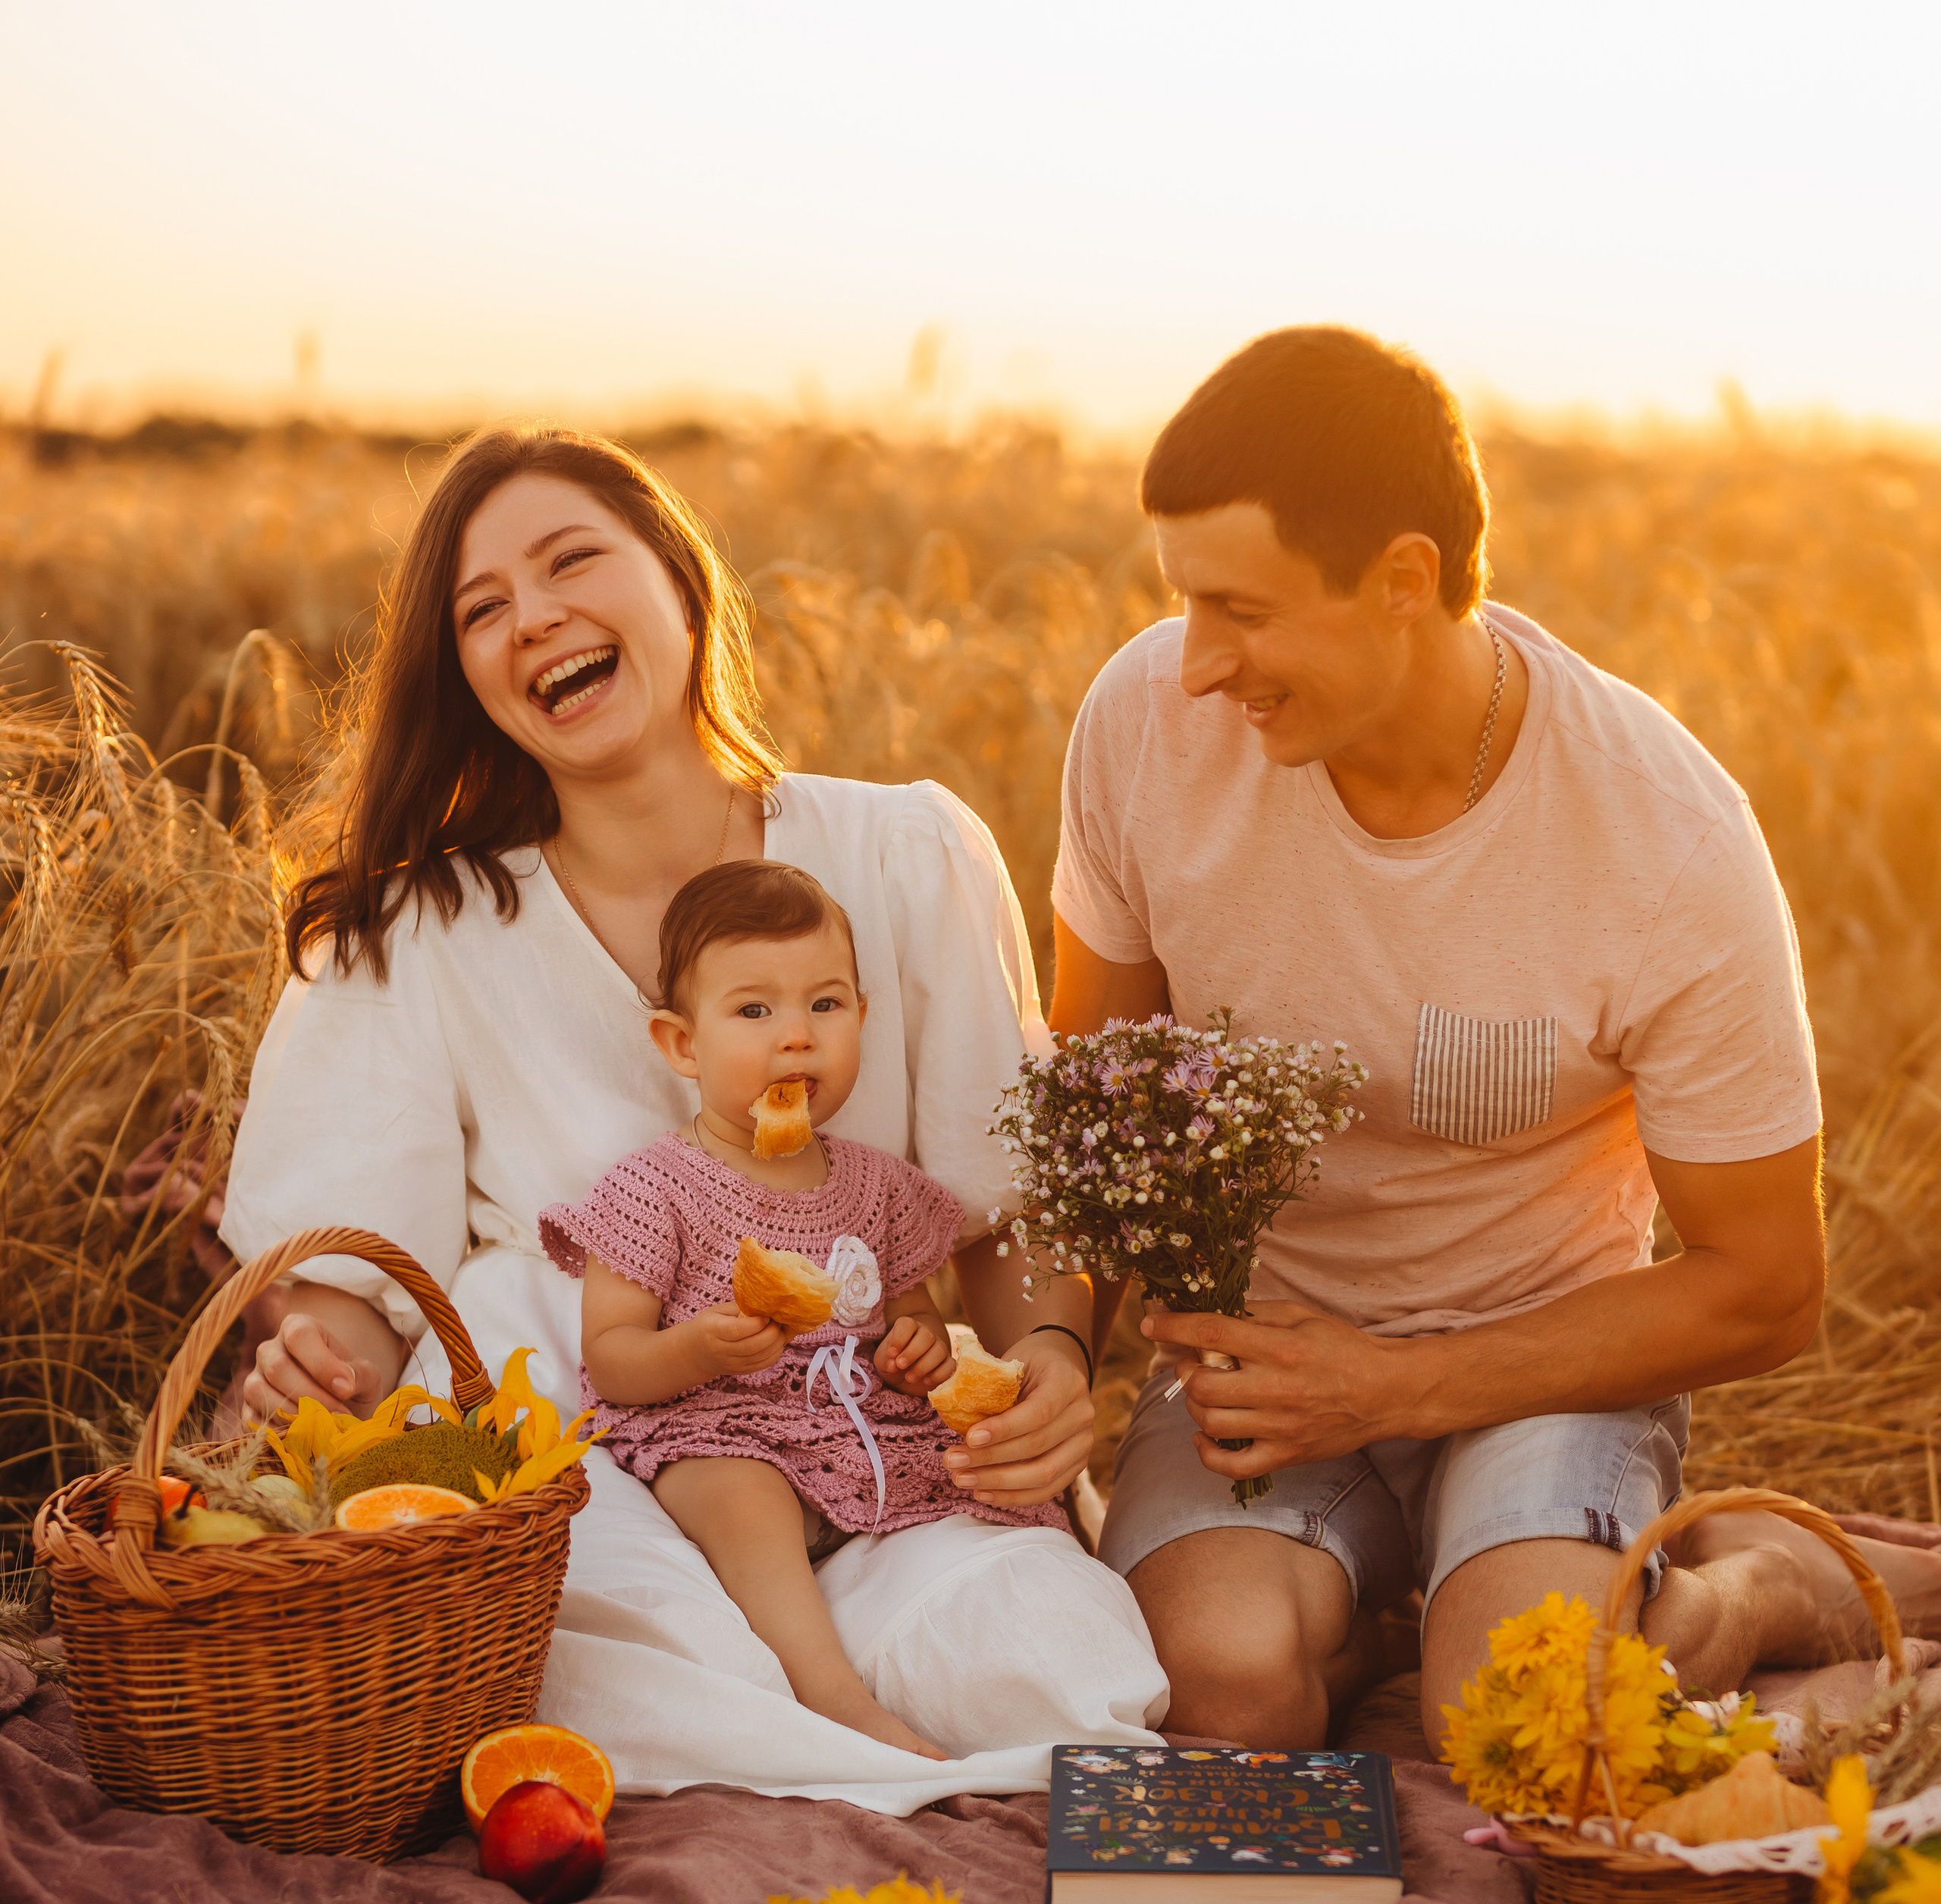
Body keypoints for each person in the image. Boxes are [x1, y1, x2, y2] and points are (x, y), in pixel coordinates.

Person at [224, 425, 1165, 1810]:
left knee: (1061, 1669)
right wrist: (317, 1362)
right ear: (471, 680)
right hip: (593, 1461)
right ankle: (786, 1717)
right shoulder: (415, 936)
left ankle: (805, 1718)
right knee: (590, 1650)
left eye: (570, 563)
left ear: (681, 582)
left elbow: (1004, 1209)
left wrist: (1048, 1357)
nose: (532, 617)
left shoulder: (901, 856)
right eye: (482, 611)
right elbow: (361, 1280)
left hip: (872, 1443)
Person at [1051, 325, 1941, 1749]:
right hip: (1263, 1385)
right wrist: (1045, 1348)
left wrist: (1399, 1384)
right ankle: (1400, 1595)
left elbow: (1770, 1284)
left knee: (1520, 1722)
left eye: (1242, 610)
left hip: (1545, 1370)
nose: (1199, 663)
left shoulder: (1664, 838)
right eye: (1185, 604)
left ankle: (1751, 1589)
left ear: (1404, 581)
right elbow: (1089, 1120)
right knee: (1219, 1695)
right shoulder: (1145, 729)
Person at [539, 859, 1071, 1765]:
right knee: (737, 1496)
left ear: (862, 1017)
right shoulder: (655, 1188)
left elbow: (915, 1315)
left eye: (824, 1006)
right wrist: (700, 1349)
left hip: (865, 1426)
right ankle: (834, 1697)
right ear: (681, 1044)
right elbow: (612, 1358)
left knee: (988, 1479)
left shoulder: (875, 1185)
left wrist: (921, 1347)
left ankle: (1018, 1646)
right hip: (722, 1425)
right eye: (754, 1012)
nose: (796, 1039)